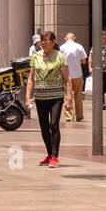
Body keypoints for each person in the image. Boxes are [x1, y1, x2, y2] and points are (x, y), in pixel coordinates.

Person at [26, 30, 72, 166]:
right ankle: (49, 153)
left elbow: (67, 80)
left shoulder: (60, 57)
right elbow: (31, 79)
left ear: (53, 42)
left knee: (54, 125)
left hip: (56, 97)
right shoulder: (36, 57)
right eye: (42, 41)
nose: (44, 43)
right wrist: (28, 97)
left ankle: (55, 156)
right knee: (44, 127)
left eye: (47, 41)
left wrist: (69, 99)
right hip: (40, 97)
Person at [59, 32, 87, 122]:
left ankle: (69, 115)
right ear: (74, 38)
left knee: (67, 96)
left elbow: (59, 61)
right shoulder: (79, 46)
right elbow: (84, 61)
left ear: (65, 39)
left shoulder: (62, 48)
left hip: (66, 75)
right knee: (78, 95)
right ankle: (79, 115)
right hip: (78, 74)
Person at [88, 29, 106, 110]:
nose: (105, 37)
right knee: (99, 86)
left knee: (104, 87)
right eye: (103, 36)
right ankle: (101, 103)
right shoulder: (96, 45)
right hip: (97, 70)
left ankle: (100, 102)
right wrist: (90, 67)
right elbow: (90, 57)